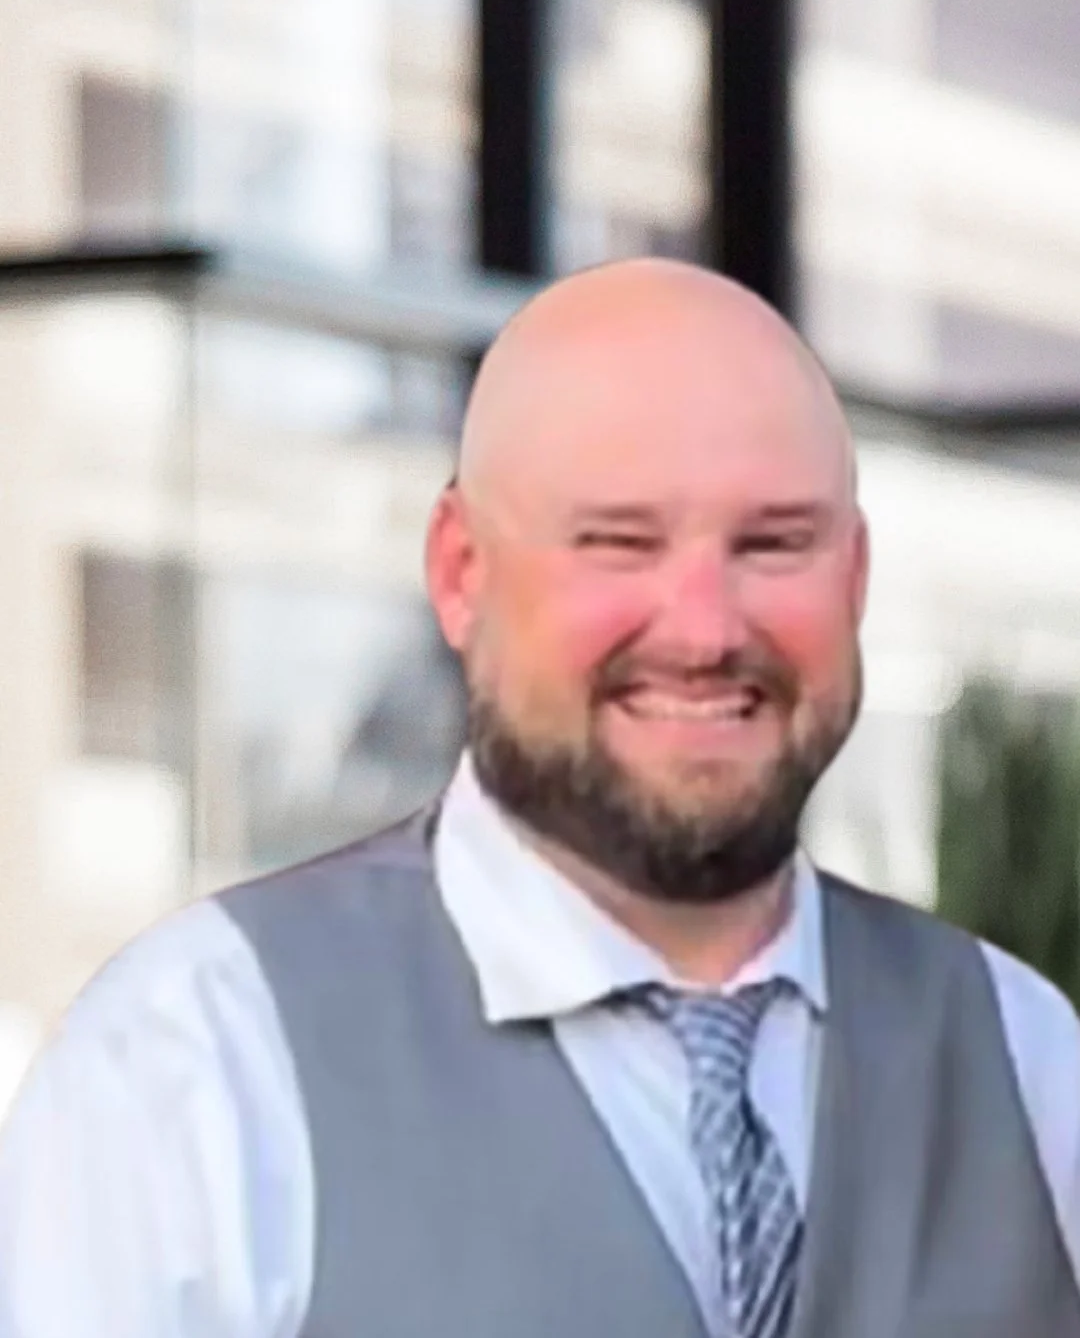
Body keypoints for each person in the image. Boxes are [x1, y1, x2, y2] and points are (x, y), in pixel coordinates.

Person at [1, 259, 1078, 1338]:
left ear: (854, 577)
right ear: (462, 571)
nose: (704, 629)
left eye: (773, 543)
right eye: (619, 542)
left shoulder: (1027, 1054)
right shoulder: (191, 1063)